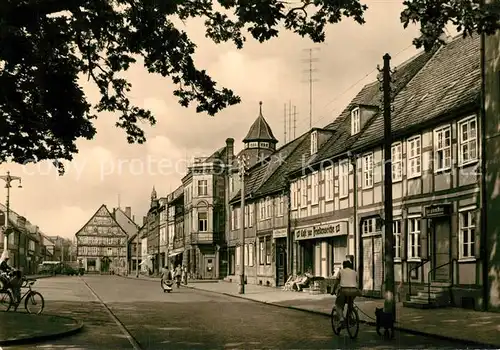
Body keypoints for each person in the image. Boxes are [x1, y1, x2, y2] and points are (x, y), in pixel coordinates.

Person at [332, 260, 360, 327]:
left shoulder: (341, 271)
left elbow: (336, 283)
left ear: (343, 266)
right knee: (350, 303)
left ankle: (342, 320)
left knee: (338, 305)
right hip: (354, 291)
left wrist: (333, 291)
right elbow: (357, 282)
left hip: (344, 290)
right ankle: (350, 316)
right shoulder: (355, 272)